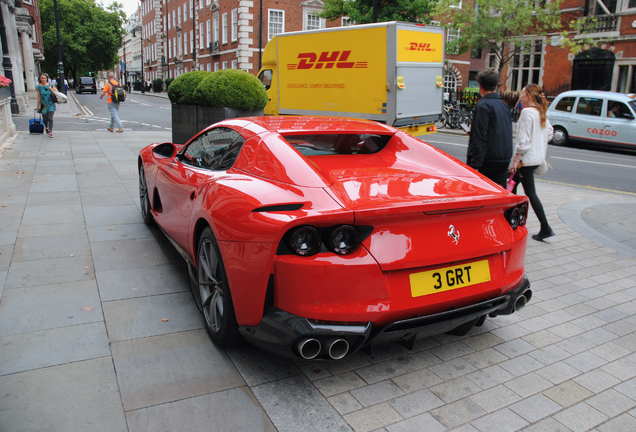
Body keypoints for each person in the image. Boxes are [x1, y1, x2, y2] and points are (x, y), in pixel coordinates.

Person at [509, 84, 555, 241]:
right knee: (512, 186)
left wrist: (515, 161)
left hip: (525, 162)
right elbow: (549, 133)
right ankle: (513, 221)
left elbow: (523, 141)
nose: (520, 97)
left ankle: (544, 227)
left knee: (528, 192)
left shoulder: (527, 112)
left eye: (522, 94)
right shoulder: (540, 112)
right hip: (536, 159)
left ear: (529, 95)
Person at [466, 70, 513, 189]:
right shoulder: (504, 105)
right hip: (503, 157)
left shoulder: (483, 106)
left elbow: (480, 136)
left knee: (481, 193)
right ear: (496, 86)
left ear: (480, 86)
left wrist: (474, 164)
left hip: (487, 159)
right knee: (498, 193)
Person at [35, 73, 57, 138]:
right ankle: (46, 127)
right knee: (45, 118)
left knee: (50, 118)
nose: (43, 79)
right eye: (42, 78)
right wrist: (37, 106)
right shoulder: (38, 87)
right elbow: (38, 96)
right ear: (40, 79)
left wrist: (51, 89)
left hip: (51, 104)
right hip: (43, 104)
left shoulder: (51, 85)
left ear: (47, 78)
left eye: (45, 78)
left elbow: (56, 91)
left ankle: (50, 132)